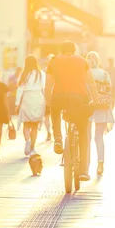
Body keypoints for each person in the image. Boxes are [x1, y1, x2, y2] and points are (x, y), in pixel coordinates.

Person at [46, 41, 99, 181]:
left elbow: (48, 84)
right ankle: (83, 170)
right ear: (74, 50)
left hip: (60, 97)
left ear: (61, 50)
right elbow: (91, 82)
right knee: (83, 133)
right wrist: (96, 98)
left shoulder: (54, 61)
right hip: (79, 99)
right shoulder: (82, 61)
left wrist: (48, 102)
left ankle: (57, 139)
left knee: (55, 110)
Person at [86, 52, 115, 176]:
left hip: (87, 107)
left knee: (86, 138)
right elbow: (110, 91)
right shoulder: (104, 74)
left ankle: (85, 166)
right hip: (102, 107)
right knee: (99, 137)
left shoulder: (86, 73)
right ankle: (100, 162)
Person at [16, 55, 46, 156]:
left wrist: (17, 103)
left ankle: (27, 141)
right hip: (38, 98)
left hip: (27, 99)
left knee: (26, 123)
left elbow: (20, 90)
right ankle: (32, 148)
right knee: (34, 125)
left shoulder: (24, 74)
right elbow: (44, 88)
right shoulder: (41, 74)